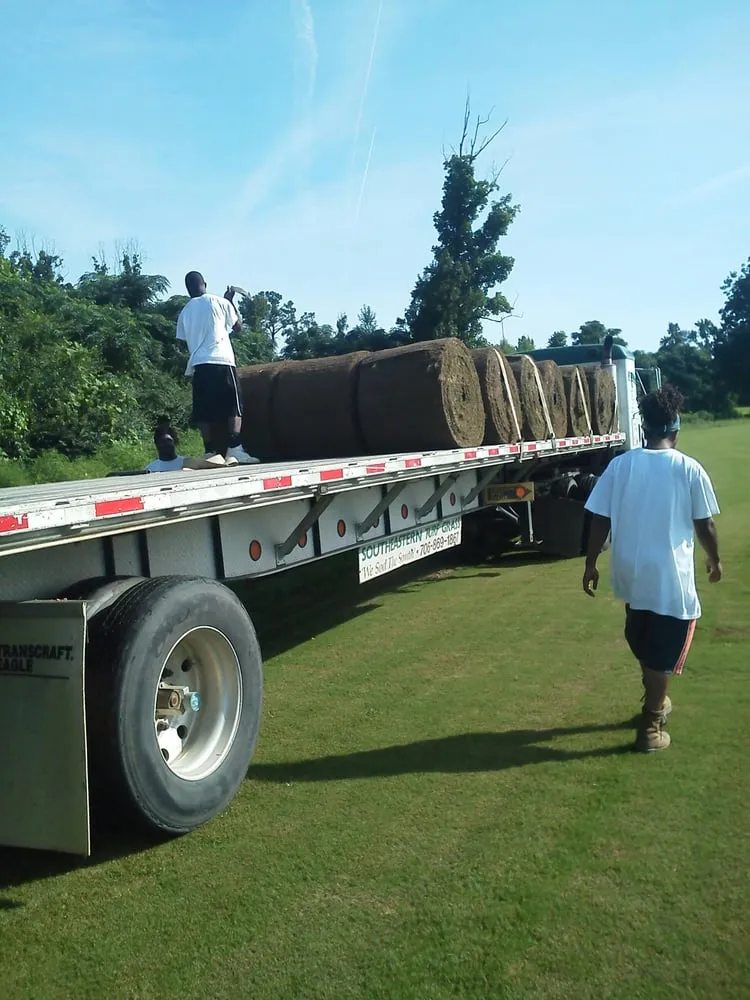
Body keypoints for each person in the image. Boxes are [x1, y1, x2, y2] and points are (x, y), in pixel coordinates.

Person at [582, 385, 721, 752]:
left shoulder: (620, 465)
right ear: (675, 428)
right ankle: (652, 725)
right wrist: (715, 559)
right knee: (663, 652)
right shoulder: (688, 468)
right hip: (668, 580)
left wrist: (591, 562)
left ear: (644, 427)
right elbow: (704, 524)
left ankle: (655, 700)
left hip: (631, 574)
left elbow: (599, 517)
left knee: (642, 639)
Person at [176, 271, 259, 466]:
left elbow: (182, 340)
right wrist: (230, 302)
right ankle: (235, 448)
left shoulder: (185, 311)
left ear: (188, 289)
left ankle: (209, 451)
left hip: (199, 364)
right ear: (204, 283)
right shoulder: (219, 302)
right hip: (222, 360)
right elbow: (238, 328)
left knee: (204, 411)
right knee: (234, 406)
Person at [144, 417, 228, 472]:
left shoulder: (188, 462)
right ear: (156, 444)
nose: (165, 445)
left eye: (168, 441)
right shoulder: (151, 468)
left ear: (175, 442)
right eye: (161, 442)